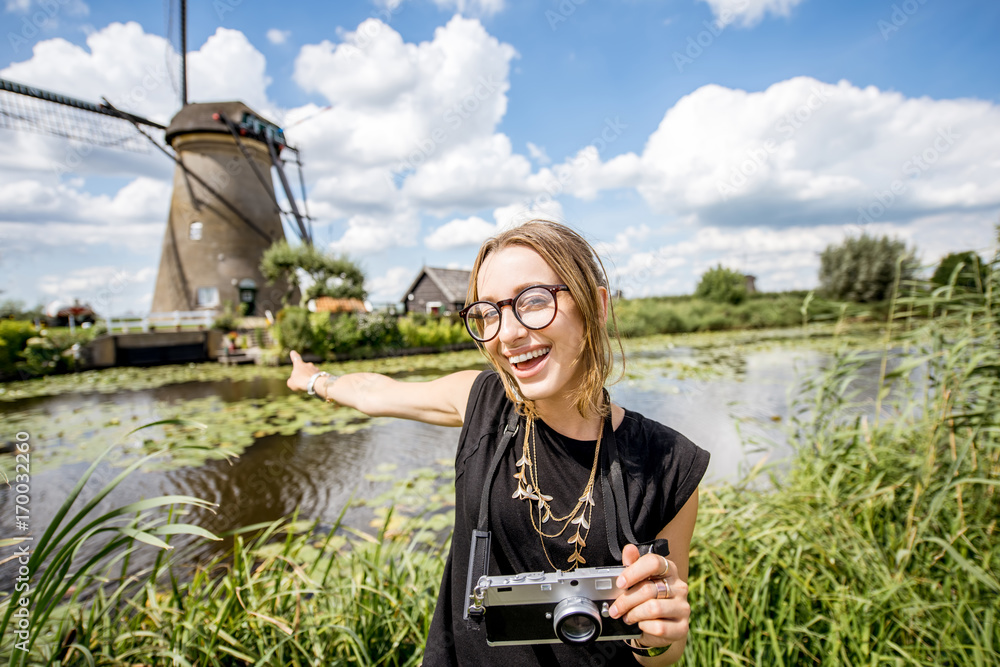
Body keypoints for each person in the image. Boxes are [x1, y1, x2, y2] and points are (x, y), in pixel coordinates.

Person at [286, 220, 710, 665]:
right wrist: (316, 379)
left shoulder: (671, 464)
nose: (507, 334)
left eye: (534, 300)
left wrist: (658, 632)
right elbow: (377, 392)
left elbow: (662, 655)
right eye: (489, 312)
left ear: (596, 306)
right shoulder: (481, 402)